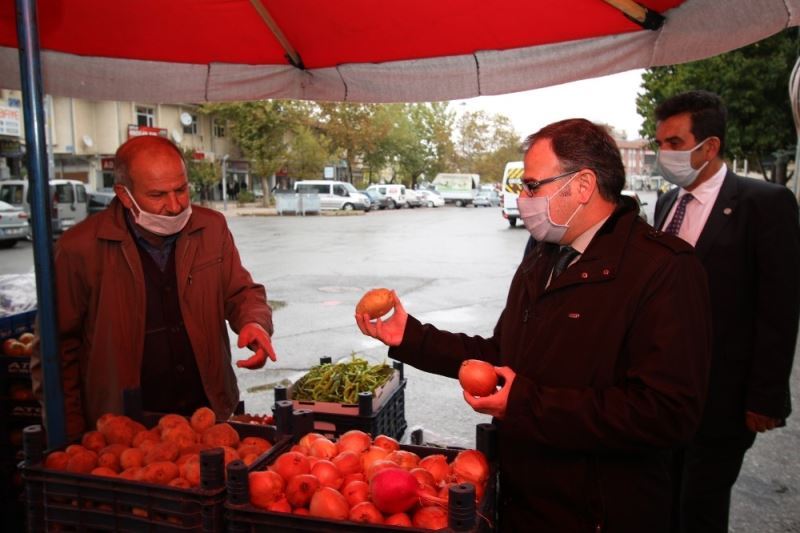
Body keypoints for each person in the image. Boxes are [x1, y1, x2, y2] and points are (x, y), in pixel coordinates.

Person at [357, 118, 712, 532]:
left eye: (531, 186)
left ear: (582, 185)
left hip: (599, 513)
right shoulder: (545, 254)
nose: (522, 198)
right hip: (525, 499)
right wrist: (411, 337)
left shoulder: (664, 269)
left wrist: (524, 403)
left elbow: (667, 413)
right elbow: (502, 355)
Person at [31, 135, 277, 439]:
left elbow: (241, 292)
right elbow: (57, 350)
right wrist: (71, 435)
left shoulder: (211, 228)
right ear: (124, 195)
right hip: (123, 427)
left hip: (207, 413)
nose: (174, 206)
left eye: (182, 190)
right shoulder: (78, 249)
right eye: (158, 195)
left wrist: (253, 322)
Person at [652, 90, 800, 533]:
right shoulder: (666, 203)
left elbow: (779, 307)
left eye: (675, 143)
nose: (664, 153)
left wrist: (765, 396)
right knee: (662, 498)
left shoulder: (765, 204)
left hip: (724, 399)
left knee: (700, 506)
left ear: (710, 146)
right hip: (663, 393)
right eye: (660, 143)